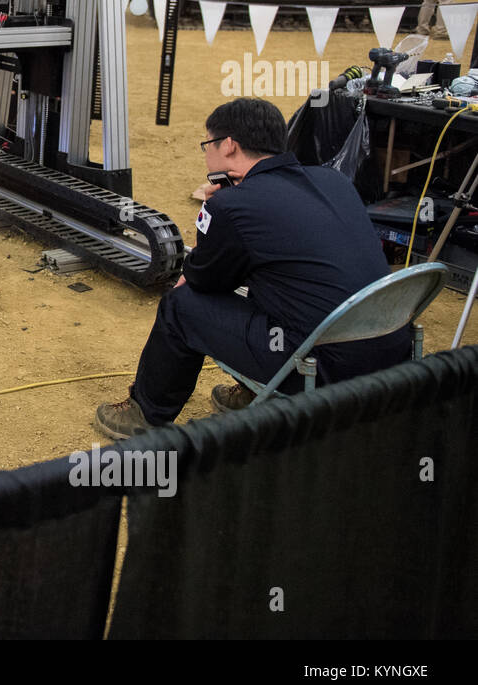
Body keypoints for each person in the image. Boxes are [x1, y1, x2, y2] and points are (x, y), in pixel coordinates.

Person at [94, 97, 411, 440]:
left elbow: (202, 280)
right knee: (275, 283)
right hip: (390, 353)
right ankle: (254, 390)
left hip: (322, 370)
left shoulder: (232, 205)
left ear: (228, 145)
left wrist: (212, 219)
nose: (206, 155)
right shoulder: (332, 181)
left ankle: (145, 412)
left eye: (207, 145)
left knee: (180, 307)